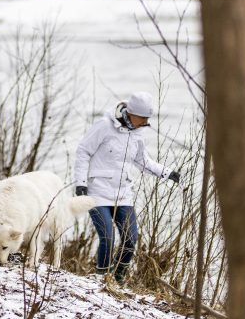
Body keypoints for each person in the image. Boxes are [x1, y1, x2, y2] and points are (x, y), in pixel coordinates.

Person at [73, 91, 180, 282]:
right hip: (98, 191)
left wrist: (166, 172)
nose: (146, 122)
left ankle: (118, 277)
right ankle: (102, 278)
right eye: (143, 118)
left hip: (123, 194)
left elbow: (142, 161)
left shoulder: (138, 133)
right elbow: (83, 151)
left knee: (131, 239)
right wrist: (81, 184)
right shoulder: (105, 126)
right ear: (131, 114)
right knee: (107, 237)